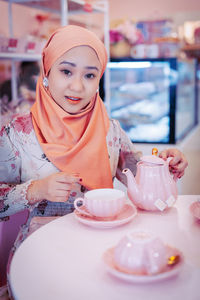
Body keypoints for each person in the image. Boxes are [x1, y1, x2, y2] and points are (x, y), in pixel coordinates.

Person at [0, 25, 187, 296]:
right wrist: (36, 190)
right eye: (66, 71)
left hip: (102, 247)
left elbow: (134, 172)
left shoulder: (110, 129)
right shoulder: (16, 134)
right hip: (43, 253)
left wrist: (164, 165)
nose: (78, 86)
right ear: (47, 72)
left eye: (90, 75)